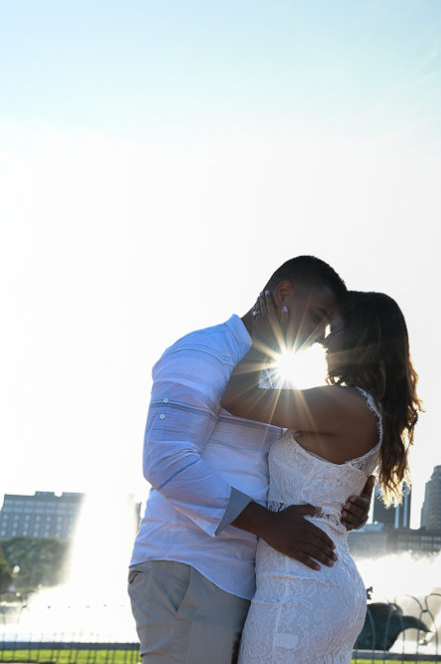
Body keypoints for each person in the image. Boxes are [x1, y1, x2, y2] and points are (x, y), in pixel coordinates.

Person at [128, 256, 373, 663]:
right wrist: (270, 524)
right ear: (283, 294)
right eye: (316, 317)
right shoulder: (203, 350)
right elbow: (166, 461)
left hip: (246, 581)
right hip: (190, 568)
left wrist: (348, 501)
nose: (318, 337)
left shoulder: (275, 377)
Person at [222, 289, 421, 663]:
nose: (325, 339)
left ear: (361, 338)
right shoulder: (368, 410)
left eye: (336, 327)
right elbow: (351, 485)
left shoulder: (343, 403)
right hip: (320, 581)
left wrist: (265, 334)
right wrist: (354, 510)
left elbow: (238, 397)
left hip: (298, 587)